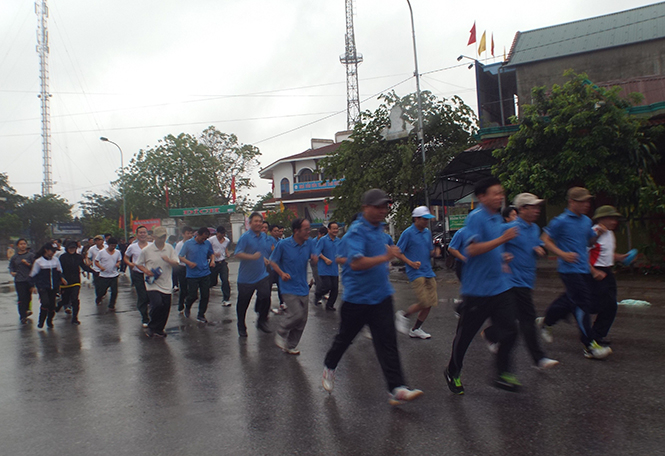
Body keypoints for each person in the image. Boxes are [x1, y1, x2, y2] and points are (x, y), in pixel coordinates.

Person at [322, 189, 423, 406]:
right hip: (357, 300)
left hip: (381, 297)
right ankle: (330, 366)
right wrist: (385, 257)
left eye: (385, 206)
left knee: (387, 343)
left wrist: (389, 259)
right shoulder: (355, 233)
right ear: (365, 208)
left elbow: (385, 255)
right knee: (344, 339)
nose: (382, 210)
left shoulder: (381, 231)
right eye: (377, 206)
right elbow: (356, 263)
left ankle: (396, 388)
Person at [444, 177, 520, 394]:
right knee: (464, 338)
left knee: (511, 330)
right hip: (477, 291)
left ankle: (502, 373)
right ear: (481, 196)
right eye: (495, 193)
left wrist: (502, 258)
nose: (500, 197)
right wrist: (501, 240)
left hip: (500, 287)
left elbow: (491, 249)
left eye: (501, 192)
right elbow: (473, 250)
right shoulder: (475, 218)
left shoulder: (497, 219)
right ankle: (452, 371)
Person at [482, 194, 559, 370]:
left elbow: (534, 243)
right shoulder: (509, 228)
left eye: (538, 206)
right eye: (533, 207)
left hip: (527, 280)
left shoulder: (533, 229)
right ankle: (538, 359)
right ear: (522, 209)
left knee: (513, 319)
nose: (537, 210)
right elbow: (490, 244)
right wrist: (502, 255)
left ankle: (491, 334)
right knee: (527, 319)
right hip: (511, 281)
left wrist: (538, 248)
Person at [538, 187, 612, 360]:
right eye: (582, 201)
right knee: (582, 305)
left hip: (583, 269)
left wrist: (598, 235)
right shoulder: (560, 221)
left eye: (588, 201)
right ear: (571, 202)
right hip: (568, 270)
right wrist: (562, 254)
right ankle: (589, 345)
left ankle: (547, 321)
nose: (587, 204)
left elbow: (589, 241)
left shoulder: (586, 221)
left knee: (569, 301)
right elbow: (545, 240)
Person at [270, 218, 317, 354]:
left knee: (302, 320)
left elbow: (313, 261)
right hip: (288, 287)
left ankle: (290, 345)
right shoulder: (283, 244)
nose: (309, 232)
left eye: (309, 229)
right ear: (296, 230)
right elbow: (273, 262)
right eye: (306, 229)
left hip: (303, 286)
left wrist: (314, 261)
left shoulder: (309, 243)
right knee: (296, 314)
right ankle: (281, 331)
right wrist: (282, 273)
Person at [588, 205, 632, 346]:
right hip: (595, 271)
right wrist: (594, 272)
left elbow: (606, 254)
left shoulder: (610, 234)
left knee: (611, 305)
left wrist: (621, 257)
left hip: (607, 271)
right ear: (602, 219)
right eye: (611, 218)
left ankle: (598, 335)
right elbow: (582, 254)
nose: (614, 222)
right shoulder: (594, 233)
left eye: (615, 219)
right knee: (599, 304)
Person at [394, 206, 439, 339]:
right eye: (424, 219)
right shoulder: (407, 233)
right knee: (424, 301)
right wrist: (410, 263)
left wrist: (434, 252)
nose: (426, 222)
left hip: (428, 271)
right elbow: (398, 252)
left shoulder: (427, 232)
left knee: (430, 302)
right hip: (416, 272)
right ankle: (402, 315)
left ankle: (416, 329)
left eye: (428, 219)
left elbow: (429, 250)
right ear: (416, 219)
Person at [136, 226, 180, 338]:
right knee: (157, 304)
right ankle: (152, 327)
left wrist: (168, 260)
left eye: (164, 237)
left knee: (166, 307)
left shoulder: (169, 248)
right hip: (152, 283)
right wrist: (147, 271)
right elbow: (139, 264)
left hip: (166, 282)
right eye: (160, 237)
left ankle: (160, 328)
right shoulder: (147, 250)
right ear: (154, 237)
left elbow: (176, 263)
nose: (162, 239)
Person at [234, 212, 272, 336]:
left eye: (260, 221)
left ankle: (261, 321)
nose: (258, 223)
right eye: (255, 221)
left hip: (261, 274)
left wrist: (263, 259)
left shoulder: (263, 237)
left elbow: (260, 252)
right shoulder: (245, 237)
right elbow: (237, 254)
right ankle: (241, 324)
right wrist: (252, 257)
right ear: (250, 223)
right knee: (243, 303)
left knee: (266, 296)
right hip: (246, 278)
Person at [179, 227, 215, 323]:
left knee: (205, 295)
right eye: (202, 238)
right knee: (193, 295)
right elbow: (180, 256)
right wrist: (189, 263)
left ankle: (201, 314)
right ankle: (188, 304)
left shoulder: (207, 243)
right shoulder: (188, 244)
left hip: (205, 273)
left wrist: (212, 261)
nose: (203, 240)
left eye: (205, 238)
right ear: (197, 235)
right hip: (192, 274)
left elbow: (212, 253)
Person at [30, 243, 65, 329]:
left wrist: (62, 279)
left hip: (53, 287)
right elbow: (33, 274)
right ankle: (41, 321)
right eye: (52, 251)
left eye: (54, 251)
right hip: (43, 286)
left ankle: (49, 320)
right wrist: (33, 286)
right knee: (45, 303)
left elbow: (59, 271)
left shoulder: (56, 260)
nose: (53, 253)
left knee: (52, 305)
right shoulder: (39, 262)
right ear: (46, 250)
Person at [57, 241, 92, 325]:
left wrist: (94, 272)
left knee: (75, 299)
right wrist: (61, 278)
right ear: (67, 249)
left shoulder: (78, 257)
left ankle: (75, 318)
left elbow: (83, 266)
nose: (72, 250)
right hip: (65, 282)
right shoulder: (62, 257)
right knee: (65, 299)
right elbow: (58, 269)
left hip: (75, 281)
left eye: (74, 248)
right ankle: (60, 304)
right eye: (70, 248)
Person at [124, 226, 152, 327]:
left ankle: (153, 316)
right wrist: (130, 264)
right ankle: (145, 318)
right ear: (137, 235)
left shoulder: (152, 245)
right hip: (138, 274)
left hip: (150, 274)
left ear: (147, 234)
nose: (143, 234)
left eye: (144, 232)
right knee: (142, 296)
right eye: (140, 233)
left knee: (151, 296)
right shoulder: (132, 246)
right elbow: (126, 257)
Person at [314, 221, 341, 311]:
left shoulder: (338, 241)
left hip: (334, 269)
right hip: (324, 269)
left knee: (335, 289)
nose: (335, 230)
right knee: (327, 286)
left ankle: (329, 305)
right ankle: (318, 294)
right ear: (328, 230)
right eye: (333, 229)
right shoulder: (323, 240)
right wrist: (325, 259)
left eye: (337, 229)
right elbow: (317, 252)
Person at [9, 239, 35, 324]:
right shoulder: (15, 257)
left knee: (28, 297)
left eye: (24, 244)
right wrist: (12, 272)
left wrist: (28, 264)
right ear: (18, 246)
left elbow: (35, 267)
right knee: (21, 298)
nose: (23, 245)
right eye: (21, 244)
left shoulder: (30, 256)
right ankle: (22, 316)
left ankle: (27, 310)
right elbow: (11, 267)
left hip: (29, 280)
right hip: (19, 280)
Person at [94, 237, 122, 311]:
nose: (113, 247)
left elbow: (119, 260)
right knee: (102, 291)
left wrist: (118, 264)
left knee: (114, 291)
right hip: (104, 275)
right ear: (108, 245)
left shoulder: (117, 252)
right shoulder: (101, 252)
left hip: (114, 274)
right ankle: (98, 298)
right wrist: (101, 267)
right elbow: (96, 261)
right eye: (112, 245)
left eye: (114, 245)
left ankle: (111, 305)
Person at [209, 225, 232, 306]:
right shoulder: (211, 240)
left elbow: (224, 247)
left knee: (225, 280)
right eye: (220, 233)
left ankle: (226, 299)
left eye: (223, 233)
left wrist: (227, 252)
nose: (222, 235)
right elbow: (207, 249)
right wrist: (214, 254)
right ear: (217, 233)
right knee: (212, 282)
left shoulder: (226, 240)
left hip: (222, 262)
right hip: (213, 263)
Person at [174, 226, 193, 313]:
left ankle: (188, 303)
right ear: (183, 234)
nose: (189, 235)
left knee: (192, 288)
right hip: (182, 268)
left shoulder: (194, 243)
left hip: (192, 268)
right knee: (183, 288)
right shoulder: (179, 245)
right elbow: (178, 257)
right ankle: (181, 304)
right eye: (187, 233)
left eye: (190, 233)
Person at [267, 224, 285, 313]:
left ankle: (282, 302)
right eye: (275, 231)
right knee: (268, 287)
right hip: (270, 268)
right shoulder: (269, 240)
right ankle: (267, 306)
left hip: (279, 267)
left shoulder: (281, 241)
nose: (277, 232)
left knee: (281, 286)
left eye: (278, 231)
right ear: (270, 232)